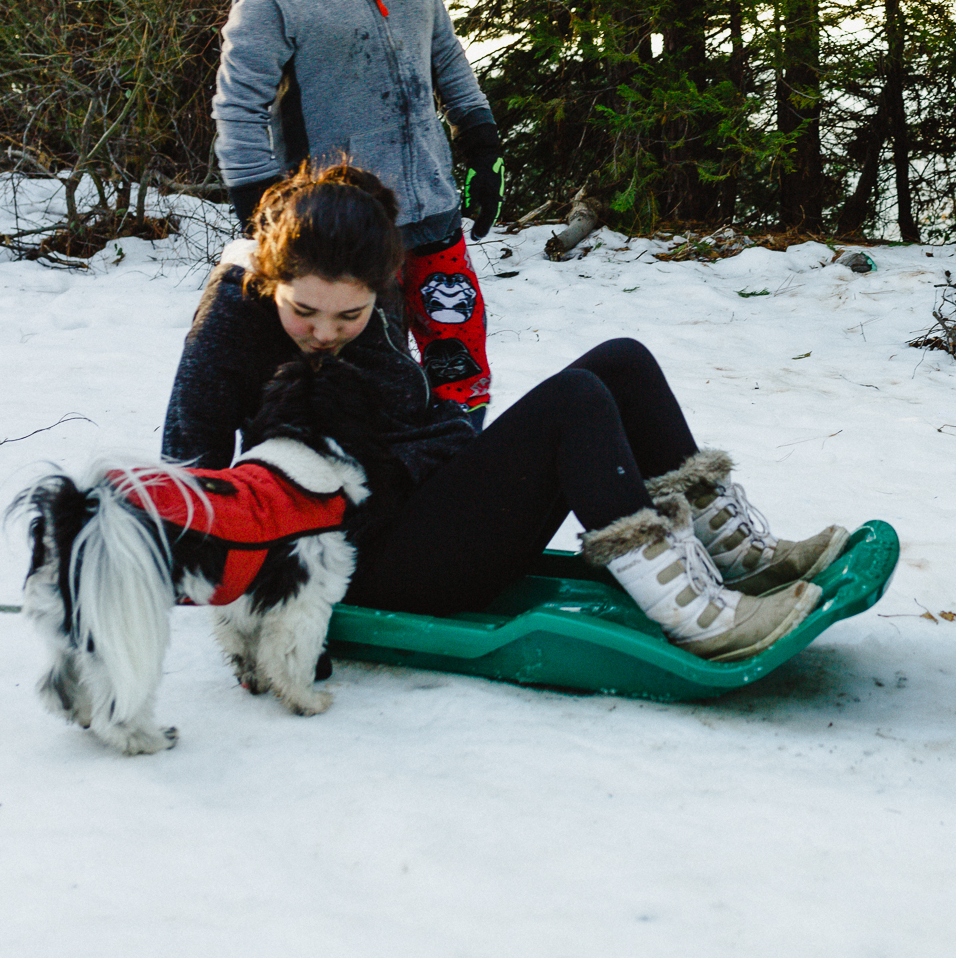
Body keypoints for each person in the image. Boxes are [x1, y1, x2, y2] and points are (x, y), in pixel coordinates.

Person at [162, 164, 849, 662]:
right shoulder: (230, 318)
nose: (325, 330)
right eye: (303, 311)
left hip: (417, 509)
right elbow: (186, 477)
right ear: (270, 276)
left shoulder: (355, 309)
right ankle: (688, 612)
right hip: (352, 560)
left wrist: (461, 457)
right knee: (575, 403)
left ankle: (741, 556)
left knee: (620, 362)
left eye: (351, 313)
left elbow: (415, 422)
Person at [213, 0, 503, 420]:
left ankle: (463, 472)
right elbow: (238, 105)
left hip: (431, 210)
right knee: (369, 373)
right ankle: (377, 495)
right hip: (342, 226)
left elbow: (443, 53)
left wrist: (479, 136)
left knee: (460, 364)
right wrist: (259, 206)